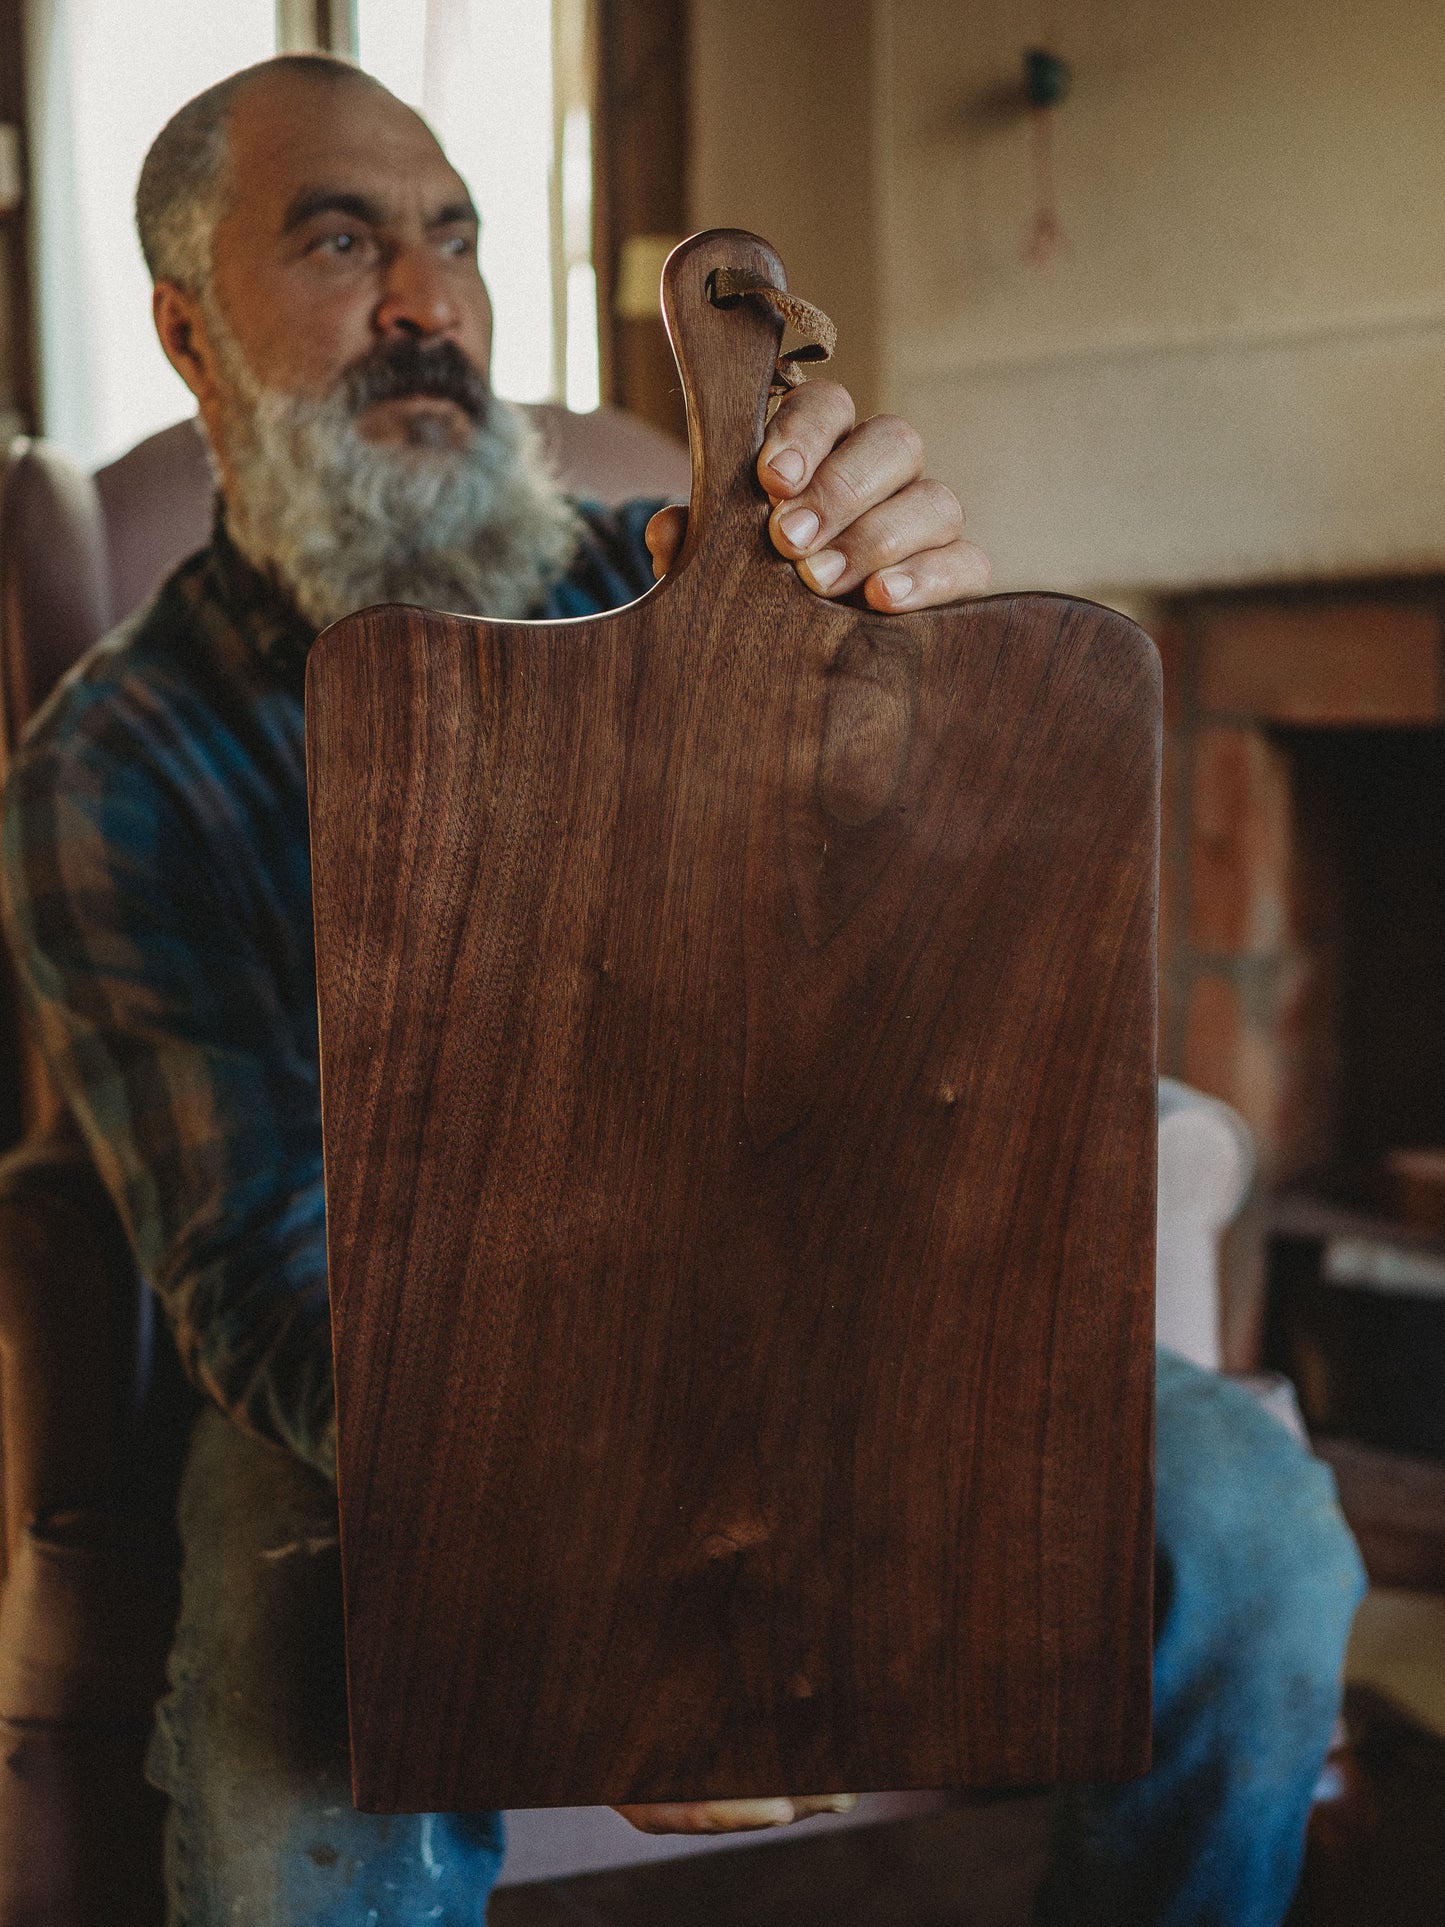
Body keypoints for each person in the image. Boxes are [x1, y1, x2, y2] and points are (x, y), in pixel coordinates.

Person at [0, 52, 1363, 1927]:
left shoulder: (690, 578)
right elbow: (263, 1267)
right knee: (278, 1726)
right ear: (182, 329)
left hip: (809, 1276)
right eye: (340, 239)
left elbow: (933, 1013)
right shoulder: (114, 769)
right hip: (393, 1381)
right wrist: (640, 1526)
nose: (428, 303)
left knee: (1258, 1529)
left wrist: (922, 668)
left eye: (454, 239)